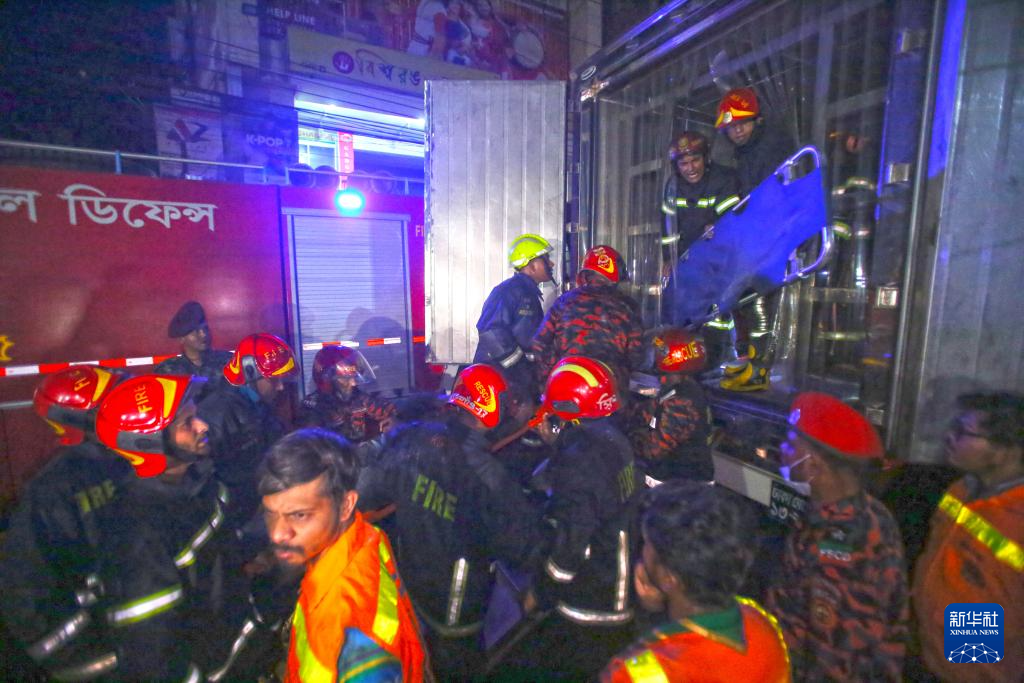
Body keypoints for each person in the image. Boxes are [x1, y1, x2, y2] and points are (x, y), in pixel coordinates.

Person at [359, 363, 541, 680]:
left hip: (411, 585)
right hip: (458, 604)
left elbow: (370, 492)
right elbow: (521, 544)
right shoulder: (486, 473)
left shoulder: (413, 439)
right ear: (491, 407)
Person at [86, 374, 270, 680]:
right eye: (187, 423)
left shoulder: (200, 485)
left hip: (237, 650)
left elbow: (219, 553)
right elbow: (152, 655)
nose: (203, 426)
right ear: (147, 443)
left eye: (196, 415)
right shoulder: (138, 534)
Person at [505, 356, 642, 680]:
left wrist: (539, 593)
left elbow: (572, 543)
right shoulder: (612, 438)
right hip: (620, 592)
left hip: (591, 605)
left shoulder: (579, 460)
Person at [259, 428, 426, 682]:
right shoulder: (364, 535)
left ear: (346, 505)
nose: (277, 534)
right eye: (271, 514)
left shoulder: (348, 629)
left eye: (299, 515)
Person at [765, 392, 908, 682]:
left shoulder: (842, 547)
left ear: (814, 465)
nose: (782, 449)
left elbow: (834, 657)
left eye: (790, 444)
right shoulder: (857, 510)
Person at [0, 367, 132, 681]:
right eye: (110, 405)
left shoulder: (128, 459)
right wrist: (99, 660)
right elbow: (26, 596)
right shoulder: (51, 492)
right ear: (80, 421)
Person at [600, 480, 790, 682]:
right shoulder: (762, 623)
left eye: (647, 543)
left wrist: (650, 617)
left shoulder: (640, 673)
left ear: (668, 577)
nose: (642, 553)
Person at [912, 392, 1023, 683]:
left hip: (977, 669)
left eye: (963, 432)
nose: (950, 437)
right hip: (931, 654)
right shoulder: (960, 490)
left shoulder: (1017, 516)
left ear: (1004, 451)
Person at [715, 87, 797, 391]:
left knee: (756, 301)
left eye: (743, 124)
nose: (737, 131)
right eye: (732, 127)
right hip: (758, 237)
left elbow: (770, 197)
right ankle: (749, 361)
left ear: (757, 120)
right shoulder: (748, 152)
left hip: (772, 237)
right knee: (743, 301)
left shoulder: (771, 147)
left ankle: (760, 368)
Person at [201, 331, 296, 524]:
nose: (280, 387)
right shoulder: (216, 415)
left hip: (262, 504)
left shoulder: (255, 403)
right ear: (250, 372)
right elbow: (208, 482)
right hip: (240, 517)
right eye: (274, 380)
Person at [531, 245, 644, 393]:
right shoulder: (628, 306)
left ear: (585, 275)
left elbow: (539, 344)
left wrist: (555, 372)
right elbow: (637, 356)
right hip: (609, 391)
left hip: (567, 387)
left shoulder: (564, 302)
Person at [628, 328, 714, 484]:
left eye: (658, 352)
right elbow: (650, 410)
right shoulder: (678, 387)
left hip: (680, 488)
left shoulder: (683, 402)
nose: (654, 356)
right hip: (672, 482)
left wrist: (624, 439)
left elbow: (654, 450)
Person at [475, 233, 555, 398]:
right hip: (501, 378)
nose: (551, 264)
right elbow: (490, 331)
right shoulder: (509, 291)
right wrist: (518, 367)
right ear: (532, 265)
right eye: (546, 259)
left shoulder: (526, 292)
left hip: (512, 378)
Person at [297, 345, 396, 448]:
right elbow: (312, 447)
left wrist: (394, 420)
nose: (353, 383)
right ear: (327, 380)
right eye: (346, 379)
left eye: (354, 378)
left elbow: (387, 409)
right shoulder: (313, 406)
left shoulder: (357, 397)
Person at [661, 131, 741, 256]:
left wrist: (715, 227)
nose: (691, 168)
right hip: (688, 259)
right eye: (684, 164)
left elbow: (730, 219)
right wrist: (668, 258)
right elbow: (668, 229)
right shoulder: (673, 187)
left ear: (706, 158)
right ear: (676, 167)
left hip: (723, 254)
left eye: (695, 160)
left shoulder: (724, 178)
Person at [153, 300, 233, 384]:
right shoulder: (167, 371)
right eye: (195, 332)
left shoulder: (228, 362)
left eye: (205, 328)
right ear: (181, 339)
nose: (203, 334)